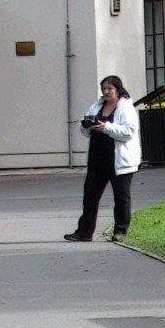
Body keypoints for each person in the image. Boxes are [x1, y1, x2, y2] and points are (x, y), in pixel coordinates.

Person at [65, 75, 141, 242]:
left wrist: (106, 128)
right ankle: (84, 232)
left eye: (109, 88)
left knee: (121, 198)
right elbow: (84, 130)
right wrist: (86, 125)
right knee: (90, 197)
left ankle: (120, 231)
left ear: (117, 89)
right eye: (104, 88)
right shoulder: (97, 106)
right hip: (97, 160)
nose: (106, 92)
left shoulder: (125, 108)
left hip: (119, 162)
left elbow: (129, 132)